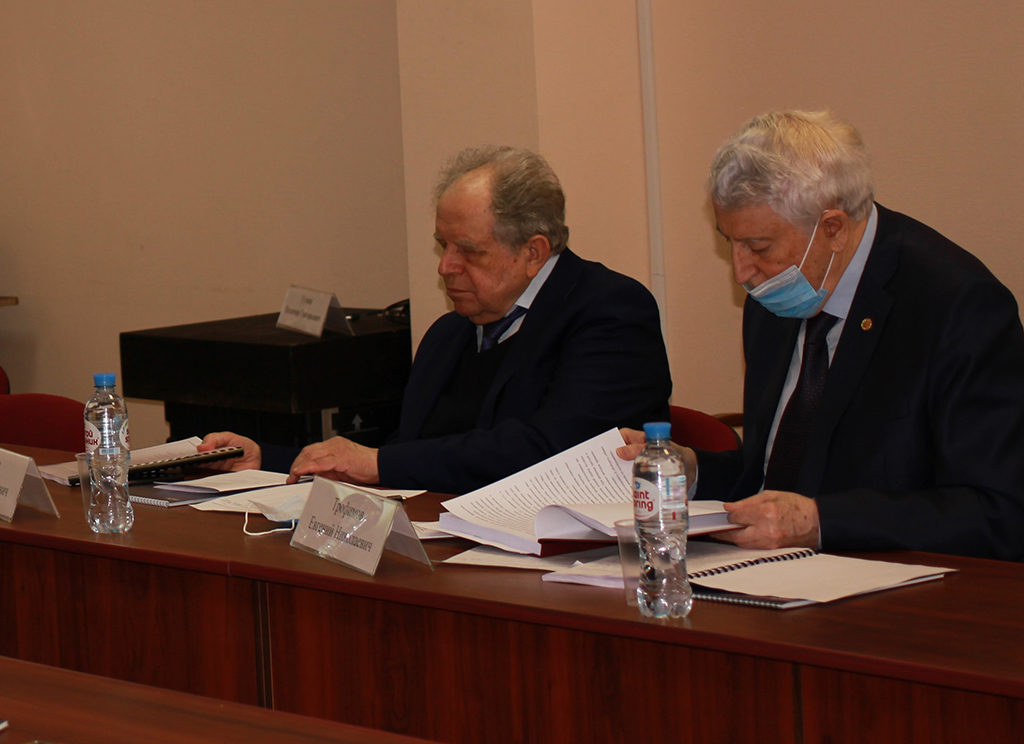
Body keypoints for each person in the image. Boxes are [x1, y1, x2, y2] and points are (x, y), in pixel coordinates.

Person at [621, 110, 1024, 560]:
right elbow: (783, 472)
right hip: (771, 576)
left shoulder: (956, 306)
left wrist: (820, 523)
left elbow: (1000, 512)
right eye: (729, 241)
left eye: (757, 246)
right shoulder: (775, 298)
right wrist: (690, 471)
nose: (741, 272)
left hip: (893, 583)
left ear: (833, 229)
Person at [202, 145, 672, 494]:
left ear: (533, 252)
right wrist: (268, 461)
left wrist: (378, 463)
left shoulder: (610, 311)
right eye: (442, 245)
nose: (445, 267)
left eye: (467, 250)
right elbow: (406, 451)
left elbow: (552, 452)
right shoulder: (450, 333)